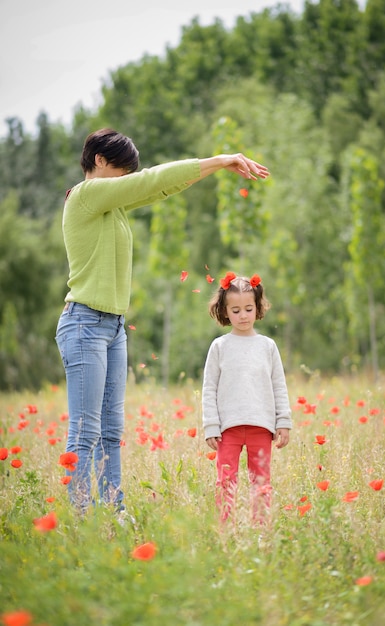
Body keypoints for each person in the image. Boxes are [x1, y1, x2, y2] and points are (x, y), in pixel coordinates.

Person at [55, 128, 269, 515]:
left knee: (110, 431)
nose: (127, 180)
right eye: (123, 171)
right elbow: (151, 181)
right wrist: (221, 159)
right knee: (86, 431)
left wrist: (212, 170)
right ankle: (81, 518)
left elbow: (161, 188)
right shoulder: (86, 196)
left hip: (113, 328)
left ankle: (113, 512)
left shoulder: (113, 205)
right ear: (100, 161)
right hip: (84, 324)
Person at [202, 272, 292, 522]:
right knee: (225, 480)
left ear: (258, 308)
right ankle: (225, 527)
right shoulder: (219, 347)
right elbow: (209, 388)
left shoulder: (267, 346)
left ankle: (260, 529)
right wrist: (211, 424)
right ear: (225, 311)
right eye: (236, 310)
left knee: (261, 480)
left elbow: (278, 385)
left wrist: (282, 421)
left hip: (261, 426)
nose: (243, 315)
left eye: (248, 309)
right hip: (227, 429)